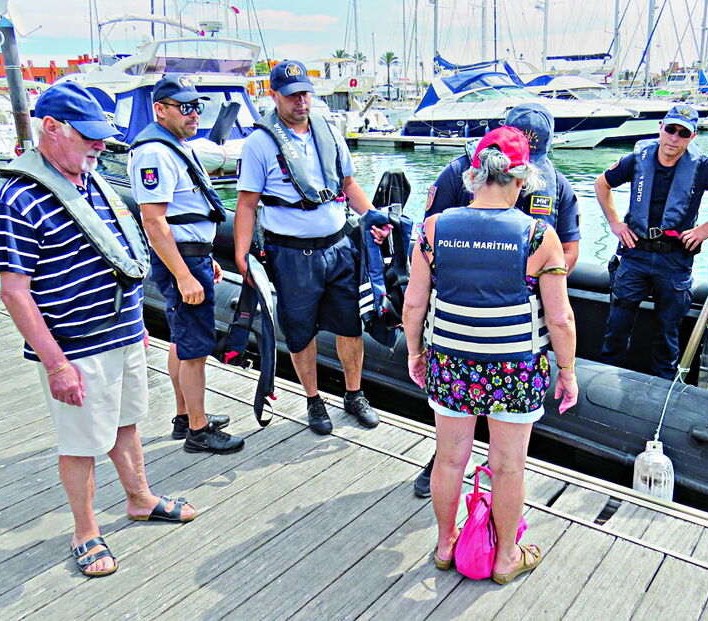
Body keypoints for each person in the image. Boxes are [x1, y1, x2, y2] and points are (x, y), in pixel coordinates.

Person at [0, 81, 197, 578]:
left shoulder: (92, 179)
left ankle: (139, 499)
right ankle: (85, 530)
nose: (100, 145)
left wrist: (134, 325)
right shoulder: (18, 198)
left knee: (126, 422)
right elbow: (14, 292)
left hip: (122, 334)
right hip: (75, 347)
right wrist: (56, 364)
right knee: (80, 442)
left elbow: (116, 252)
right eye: (89, 136)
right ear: (52, 129)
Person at [403, 126, 579, 585]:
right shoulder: (540, 234)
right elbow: (560, 319)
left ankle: (445, 546)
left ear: (474, 174)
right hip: (516, 368)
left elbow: (414, 304)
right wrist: (567, 371)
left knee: (448, 460)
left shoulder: (433, 228)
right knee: (508, 466)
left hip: (453, 363)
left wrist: (415, 352)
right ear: (521, 179)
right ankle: (505, 557)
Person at [234, 60, 384, 435]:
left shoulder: (329, 131)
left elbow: (348, 184)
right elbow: (247, 204)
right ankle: (313, 400)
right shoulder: (259, 143)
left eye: (305, 93)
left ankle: (354, 393)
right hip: (292, 255)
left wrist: (374, 218)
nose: (301, 101)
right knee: (300, 331)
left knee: (351, 326)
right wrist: (241, 256)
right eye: (292, 95)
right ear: (274, 96)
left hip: (339, 248)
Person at [128, 73, 244, 454]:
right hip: (181, 262)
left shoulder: (176, 145)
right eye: (185, 107)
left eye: (197, 106)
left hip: (193, 256)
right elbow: (154, 220)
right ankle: (198, 429)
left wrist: (204, 257)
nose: (194, 114)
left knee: (181, 340)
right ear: (159, 110)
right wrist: (182, 273)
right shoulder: (154, 153)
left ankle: (184, 416)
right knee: (195, 348)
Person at [594, 104, 708, 379]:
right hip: (635, 253)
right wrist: (615, 224)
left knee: (668, 331)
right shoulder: (637, 159)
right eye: (670, 130)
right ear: (661, 129)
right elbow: (601, 184)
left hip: (675, 258)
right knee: (617, 324)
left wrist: (706, 229)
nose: (674, 138)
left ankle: (663, 386)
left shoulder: (703, 168)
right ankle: (607, 376)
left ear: (692, 137)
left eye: (682, 133)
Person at [424, 103, 582, 273]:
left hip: (527, 291)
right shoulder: (456, 173)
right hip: (461, 283)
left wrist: (528, 282)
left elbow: (569, 251)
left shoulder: (559, 187)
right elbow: (428, 239)